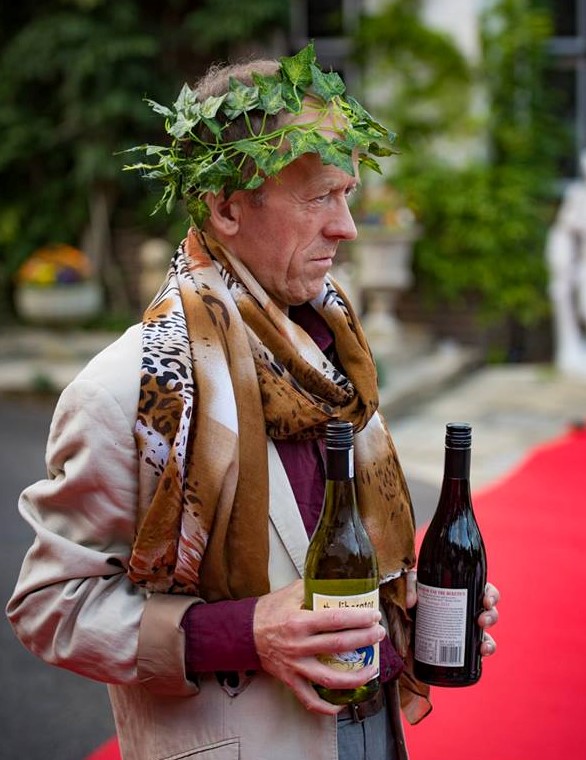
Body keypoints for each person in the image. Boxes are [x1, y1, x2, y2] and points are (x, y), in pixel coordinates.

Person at [6, 45, 499, 760]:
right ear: (228, 207)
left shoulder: (334, 357)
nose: (346, 226)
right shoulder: (127, 389)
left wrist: (411, 607)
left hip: (374, 732)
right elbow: (51, 607)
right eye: (319, 197)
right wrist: (246, 632)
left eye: (347, 195)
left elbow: (335, 562)